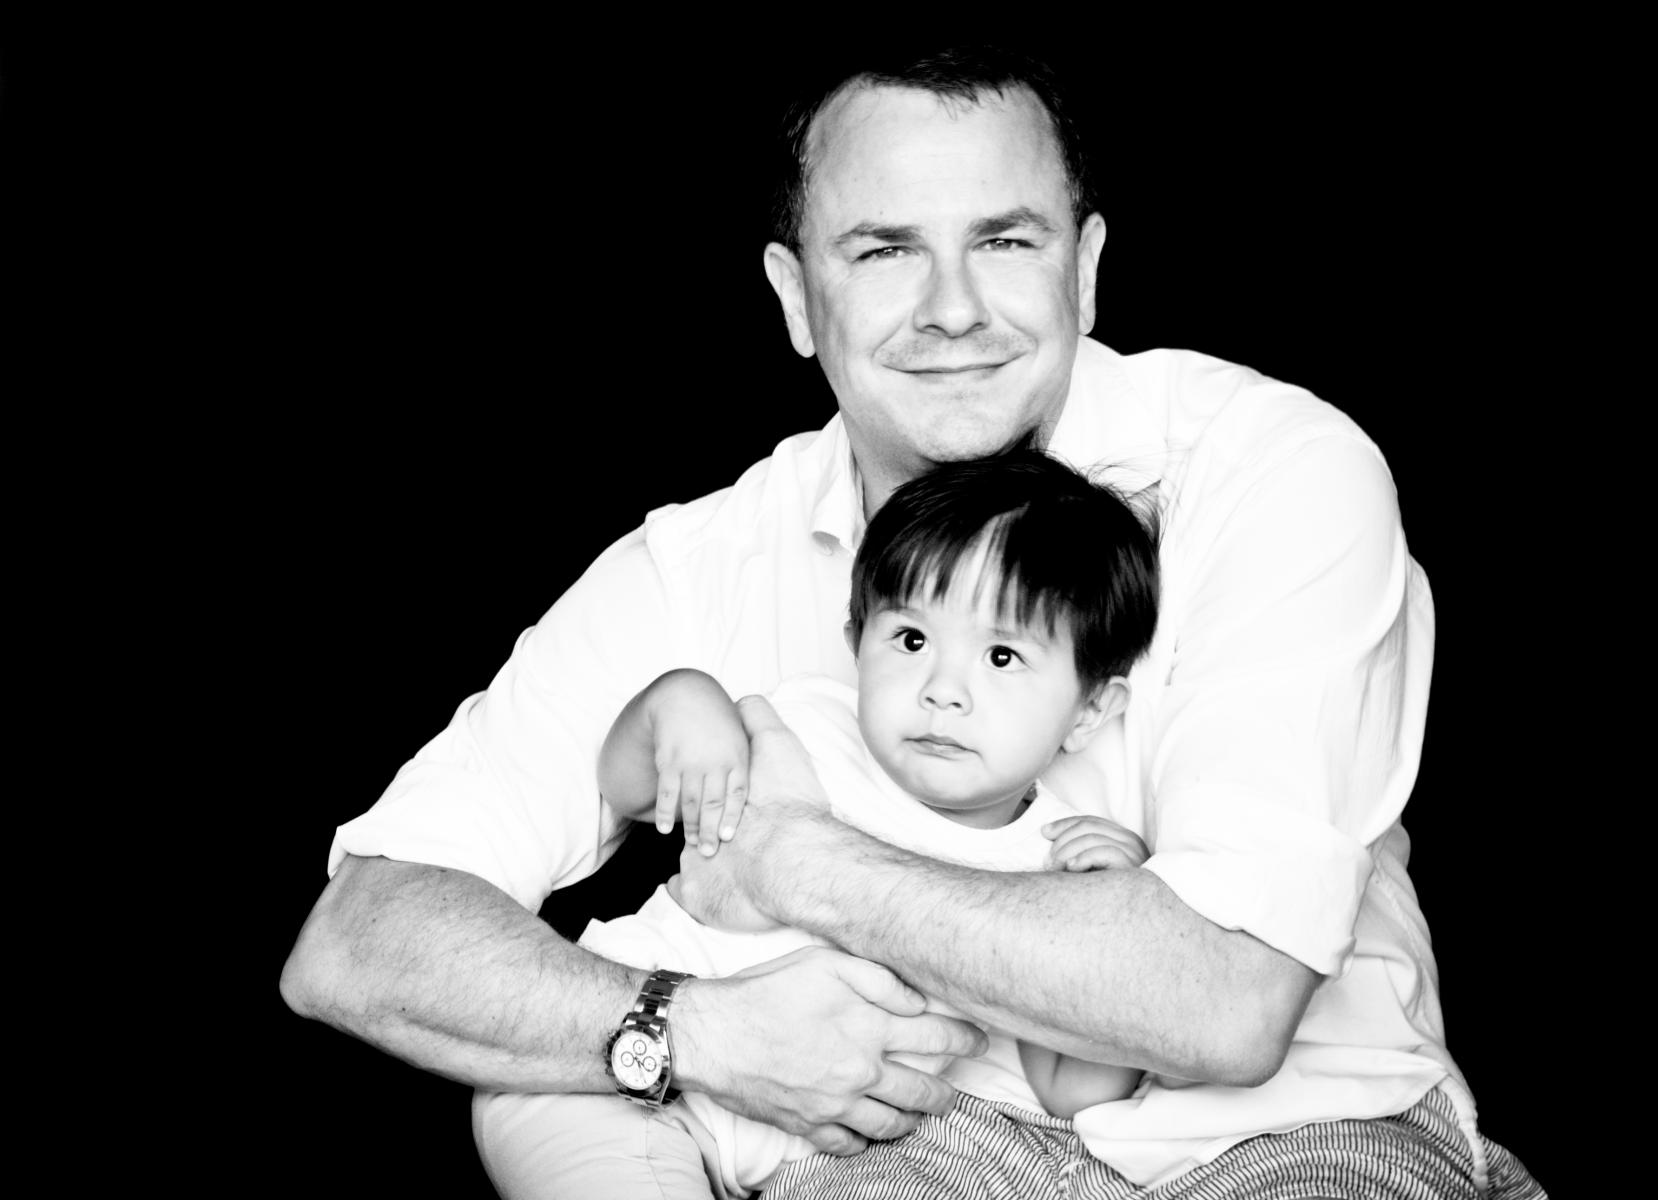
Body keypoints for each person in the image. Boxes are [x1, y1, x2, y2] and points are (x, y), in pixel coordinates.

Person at [282, 44, 1544, 1199]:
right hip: (911, 1140)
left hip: (1305, 1129)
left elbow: (1224, 1001)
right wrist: (686, 1027)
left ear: (1085, 268)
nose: (952, 307)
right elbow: (359, 939)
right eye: (885, 251)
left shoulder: (1270, 468)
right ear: (794, 296)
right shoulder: (707, 563)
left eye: (1005, 241)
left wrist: (797, 863)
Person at [478, 448, 1162, 1197]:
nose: (943, 690)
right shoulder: (805, 728)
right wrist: (678, 704)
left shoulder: (1054, 864)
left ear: (1090, 709)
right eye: (911, 640)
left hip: (808, 1162)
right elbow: (628, 787)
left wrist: (1119, 917)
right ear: (856, 644)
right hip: (609, 1073)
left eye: (1002, 655)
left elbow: (1072, 1091)